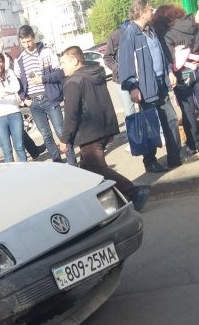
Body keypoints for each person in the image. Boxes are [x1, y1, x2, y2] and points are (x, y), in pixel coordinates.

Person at [58, 46, 150, 211]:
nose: (62, 66)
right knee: (86, 171)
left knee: (97, 169)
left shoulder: (73, 82)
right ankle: (99, 205)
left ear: (74, 60)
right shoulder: (95, 73)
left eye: (63, 62)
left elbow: (71, 113)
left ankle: (134, 192)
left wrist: (65, 139)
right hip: (104, 127)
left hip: (89, 133)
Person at [118, 0, 182, 172]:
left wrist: (169, 71)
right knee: (150, 125)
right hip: (145, 87)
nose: (152, 10)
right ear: (141, 12)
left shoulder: (151, 30)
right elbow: (125, 64)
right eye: (149, 9)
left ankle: (175, 157)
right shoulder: (130, 34)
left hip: (161, 83)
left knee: (171, 120)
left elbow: (162, 53)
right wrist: (132, 86)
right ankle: (150, 161)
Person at [16, 25, 76, 165]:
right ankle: (57, 164)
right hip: (34, 103)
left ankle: (72, 163)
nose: (27, 45)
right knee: (46, 135)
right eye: (23, 42)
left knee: (61, 132)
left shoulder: (46, 52)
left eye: (29, 41)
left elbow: (60, 72)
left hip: (50, 98)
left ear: (33, 37)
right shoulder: (19, 60)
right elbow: (18, 82)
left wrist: (42, 79)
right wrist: (25, 99)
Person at [155, 5, 199, 156]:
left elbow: (169, 57)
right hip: (197, 68)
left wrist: (183, 60)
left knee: (188, 112)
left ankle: (194, 145)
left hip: (181, 75)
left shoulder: (166, 33)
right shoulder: (192, 24)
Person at [104, 21, 137, 118]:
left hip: (140, 76)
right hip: (121, 80)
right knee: (129, 112)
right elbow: (107, 57)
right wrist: (120, 70)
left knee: (147, 109)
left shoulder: (140, 32)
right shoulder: (116, 35)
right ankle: (133, 132)